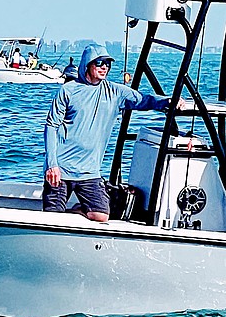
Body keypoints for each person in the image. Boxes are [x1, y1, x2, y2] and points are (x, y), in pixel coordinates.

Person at [43, 43, 182, 220]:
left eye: (108, 63)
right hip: (61, 168)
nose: (104, 67)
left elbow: (143, 100)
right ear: (87, 64)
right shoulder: (68, 90)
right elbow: (51, 126)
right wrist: (52, 164)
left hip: (89, 171)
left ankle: (76, 212)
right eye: (99, 62)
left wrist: (168, 101)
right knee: (52, 217)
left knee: (101, 215)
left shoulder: (115, 92)